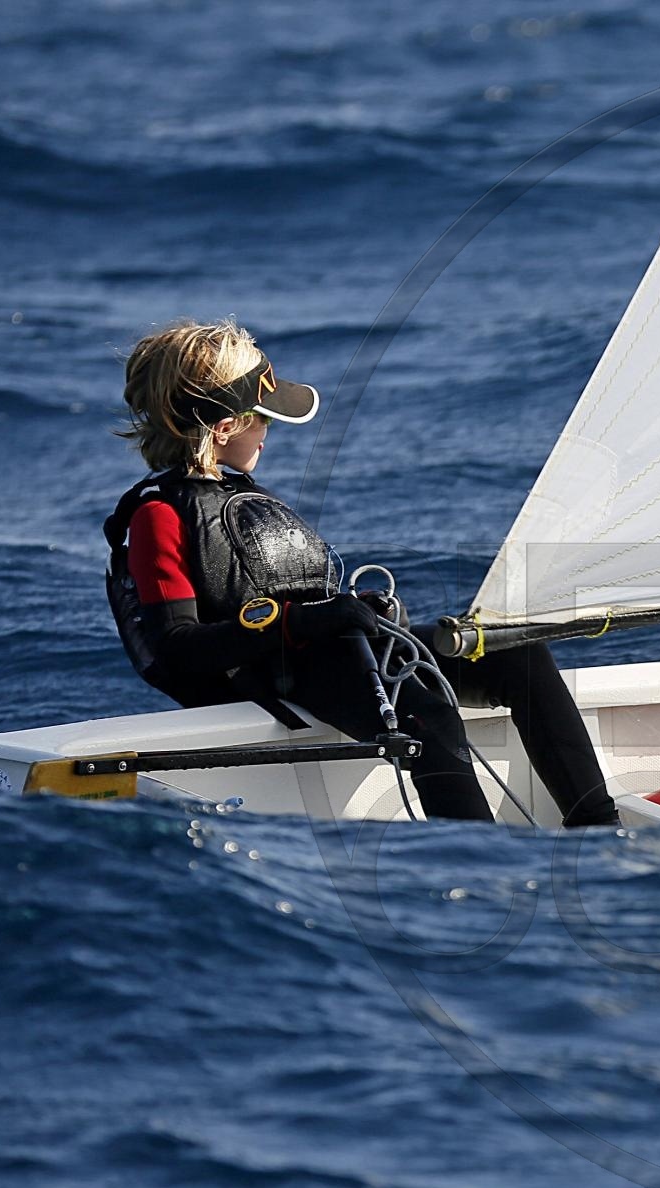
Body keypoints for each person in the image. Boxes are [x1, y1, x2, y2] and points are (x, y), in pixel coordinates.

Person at [104, 317, 619, 826]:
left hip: (329, 653)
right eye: (264, 419)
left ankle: (598, 828)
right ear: (223, 428)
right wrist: (299, 623)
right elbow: (177, 647)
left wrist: (351, 612)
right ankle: (478, 857)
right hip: (275, 676)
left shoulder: (234, 493)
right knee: (427, 713)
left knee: (516, 656)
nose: (269, 433)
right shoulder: (159, 515)